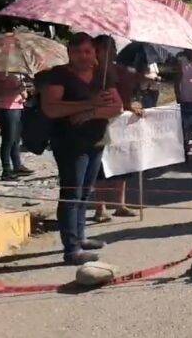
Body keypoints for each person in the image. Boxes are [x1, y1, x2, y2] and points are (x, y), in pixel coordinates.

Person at [41, 33, 123, 265]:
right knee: (71, 194)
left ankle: (81, 237)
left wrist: (90, 112)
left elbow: (117, 106)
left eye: (87, 51)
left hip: (95, 141)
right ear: (69, 53)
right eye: (77, 52)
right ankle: (71, 249)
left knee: (85, 192)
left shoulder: (102, 75)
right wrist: (91, 104)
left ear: (94, 52)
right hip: (70, 145)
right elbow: (51, 108)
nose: (83, 56)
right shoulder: (59, 75)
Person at [91, 35, 143, 222]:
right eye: (100, 49)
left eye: (109, 48)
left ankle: (120, 205)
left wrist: (134, 106)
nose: (105, 52)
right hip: (98, 123)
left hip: (121, 123)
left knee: (122, 164)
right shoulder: (90, 72)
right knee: (101, 167)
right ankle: (100, 208)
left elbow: (129, 99)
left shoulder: (122, 71)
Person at [0, 71, 32, 180]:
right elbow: (0, 92)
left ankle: (17, 165)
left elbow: (23, 94)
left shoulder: (16, 74)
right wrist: (18, 90)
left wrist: (24, 92)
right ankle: (6, 170)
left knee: (16, 139)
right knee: (8, 139)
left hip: (17, 107)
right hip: (5, 108)